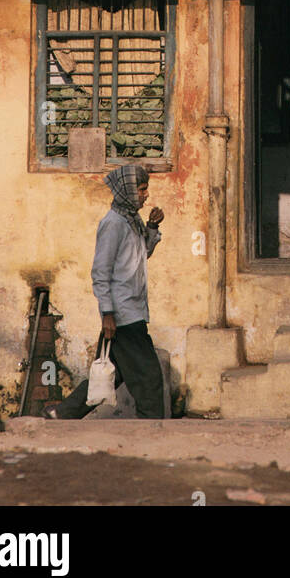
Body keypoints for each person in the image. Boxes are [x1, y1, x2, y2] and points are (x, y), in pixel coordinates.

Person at [46, 165, 166, 418]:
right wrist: (107, 313)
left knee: (113, 372)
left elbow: (143, 254)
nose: (146, 195)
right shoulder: (113, 224)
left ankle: (63, 414)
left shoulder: (130, 220)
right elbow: (101, 272)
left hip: (132, 308)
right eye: (142, 189)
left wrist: (152, 227)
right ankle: (153, 429)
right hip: (123, 313)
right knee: (149, 376)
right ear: (128, 191)